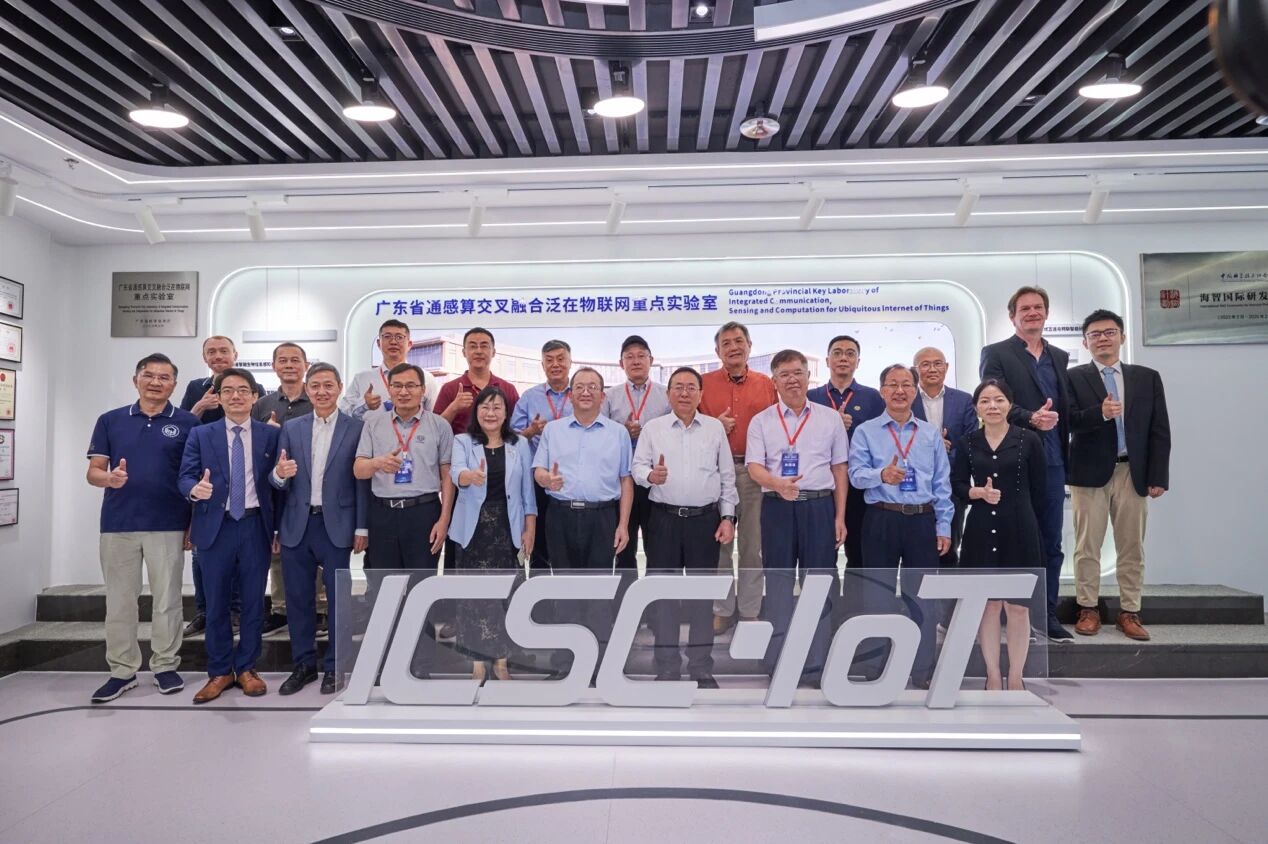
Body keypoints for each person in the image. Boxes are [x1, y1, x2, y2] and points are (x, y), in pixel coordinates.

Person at [85, 353, 200, 703]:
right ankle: (122, 671)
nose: (155, 382)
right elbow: (94, 472)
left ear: (174, 385)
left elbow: (193, 477)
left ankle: (165, 665)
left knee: (167, 600)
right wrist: (109, 479)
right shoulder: (111, 420)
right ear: (135, 379)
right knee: (120, 602)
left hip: (169, 523)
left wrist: (192, 524)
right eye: (149, 375)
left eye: (164, 377)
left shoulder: (188, 423)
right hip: (118, 525)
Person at [746, 350, 849, 687]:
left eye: (797, 373)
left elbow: (839, 469)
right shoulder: (761, 421)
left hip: (818, 508)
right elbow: (754, 467)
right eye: (784, 374)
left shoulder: (829, 418)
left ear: (808, 377)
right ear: (774, 381)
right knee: (777, 583)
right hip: (777, 507)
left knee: (819, 583)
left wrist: (839, 516)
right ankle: (778, 662)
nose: (792, 380)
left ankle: (817, 663)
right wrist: (778, 484)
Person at [1067, 310, 1171, 641]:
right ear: (1085, 342)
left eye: (1109, 332)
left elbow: (1159, 429)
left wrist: (1158, 475)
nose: (1103, 339)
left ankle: (1130, 611)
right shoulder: (1072, 377)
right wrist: (1097, 413)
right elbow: (1067, 421)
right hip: (1088, 473)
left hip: (1132, 471)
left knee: (1132, 546)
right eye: (1095, 334)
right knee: (1087, 546)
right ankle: (1087, 608)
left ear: (1122, 337)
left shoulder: (1146, 377)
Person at [848, 364, 953, 687]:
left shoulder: (929, 433)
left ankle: (921, 669)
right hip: (881, 518)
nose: (899, 391)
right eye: (892, 384)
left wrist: (943, 526)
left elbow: (942, 484)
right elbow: (856, 475)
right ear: (882, 391)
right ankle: (875, 665)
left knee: (922, 598)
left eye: (906, 384)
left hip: (921, 521)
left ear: (914, 391)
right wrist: (881, 474)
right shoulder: (866, 431)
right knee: (877, 596)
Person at [178, 368, 280, 703]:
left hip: (254, 526)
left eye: (243, 390)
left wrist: (277, 527)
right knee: (216, 603)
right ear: (218, 398)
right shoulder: (200, 434)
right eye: (228, 391)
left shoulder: (270, 435)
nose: (236, 396)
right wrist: (195, 489)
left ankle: (247, 668)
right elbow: (184, 476)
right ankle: (220, 671)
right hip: (215, 528)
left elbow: (277, 486)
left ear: (254, 397)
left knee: (253, 602)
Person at [980, 286, 1074, 642]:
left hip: (1053, 461)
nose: (1032, 313)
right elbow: (993, 399)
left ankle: (1046, 614)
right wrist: (1030, 417)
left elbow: (1066, 410)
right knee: (1011, 540)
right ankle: (1009, 614)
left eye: (1038, 307)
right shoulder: (997, 353)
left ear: (1046, 313)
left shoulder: (1059, 356)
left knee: (1051, 541)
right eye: (1025, 308)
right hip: (1013, 459)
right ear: (1012, 316)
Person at [634, 367, 737, 687]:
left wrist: (728, 517)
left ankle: (701, 667)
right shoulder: (653, 428)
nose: (684, 393)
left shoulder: (714, 429)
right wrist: (651, 476)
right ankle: (667, 666)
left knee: (701, 598)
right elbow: (637, 467)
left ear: (700, 394)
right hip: (663, 520)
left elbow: (727, 476)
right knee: (663, 597)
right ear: (668, 394)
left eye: (691, 387)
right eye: (678, 387)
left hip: (705, 522)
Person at [270, 363, 368, 696]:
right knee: (298, 599)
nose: (322, 392)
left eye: (328, 385)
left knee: (339, 600)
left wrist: (362, 526)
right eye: (315, 386)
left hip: (336, 525)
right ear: (306, 389)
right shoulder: (291, 427)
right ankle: (304, 665)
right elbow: (277, 480)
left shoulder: (356, 428)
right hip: (297, 525)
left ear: (339, 387)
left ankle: (335, 666)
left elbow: (361, 483)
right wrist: (279, 475)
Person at [353, 362, 454, 677]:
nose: (404, 391)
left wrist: (444, 519)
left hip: (423, 513)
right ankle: (386, 660)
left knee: (422, 588)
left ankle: (421, 660)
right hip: (383, 514)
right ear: (390, 390)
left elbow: (447, 476)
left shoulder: (439, 425)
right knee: (384, 589)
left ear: (423, 390)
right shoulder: (374, 423)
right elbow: (358, 469)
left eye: (411, 385)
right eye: (397, 385)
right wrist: (377, 463)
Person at [532, 367, 633, 678]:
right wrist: (547, 479)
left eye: (592, 387)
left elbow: (626, 480)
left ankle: (599, 665)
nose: (586, 392)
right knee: (564, 591)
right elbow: (538, 470)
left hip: (602, 517)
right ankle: (565, 663)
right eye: (579, 387)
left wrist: (623, 524)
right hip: (560, 516)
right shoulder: (553, 430)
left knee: (599, 593)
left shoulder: (617, 433)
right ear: (571, 394)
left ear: (602, 396)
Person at [952, 379, 1047, 691]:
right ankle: (993, 674)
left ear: (1010, 404)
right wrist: (977, 492)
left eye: (999, 400)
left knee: (1018, 607)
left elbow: (1041, 491)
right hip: (980, 531)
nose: (992, 406)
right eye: (985, 401)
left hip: (1020, 530)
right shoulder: (968, 442)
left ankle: (1016, 676)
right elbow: (957, 485)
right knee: (988, 605)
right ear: (976, 407)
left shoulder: (1029, 440)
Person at [449, 386, 537, 682]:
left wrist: (530, 529)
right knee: (472, 597)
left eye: (497, 407)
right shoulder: (463, 441)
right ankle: (477, 662)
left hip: (507, 528)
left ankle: (501, 662)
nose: (490, 413)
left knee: (506, 596)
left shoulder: (519, 444)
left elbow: (527, 493)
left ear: (506, 413)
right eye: (485, 407)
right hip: (472, 530)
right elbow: (455, 473)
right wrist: (469, 476)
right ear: (476, 411)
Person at [179, 335, 263, 637]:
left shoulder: (253, 385)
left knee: (241, 556)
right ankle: (204, 611)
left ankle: (236, 611)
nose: (218, 356)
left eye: (223, 351)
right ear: (205, 357)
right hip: (205, 481)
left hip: (243, 480)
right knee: (201, 552)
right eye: (211, 352)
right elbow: (183, 427)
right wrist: (200, 406)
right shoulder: (195, 387)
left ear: (235, 354)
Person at [698, 321, 777, 635]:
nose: (733, 347)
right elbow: (689, 422)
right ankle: (722, 609)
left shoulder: (766, 384)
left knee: (752, 546)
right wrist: (713, 425)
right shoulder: (703, 384)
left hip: (755, 472)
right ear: (717, 351)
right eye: (726, 343)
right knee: (719, 543)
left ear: (749, 346)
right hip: (715, 473)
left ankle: (749, 610)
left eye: (739, 341)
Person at [251, 341, 315, 636]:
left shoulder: (316, 398)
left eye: (295, 360)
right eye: (283, 360)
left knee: (311, 548)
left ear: (306, 365)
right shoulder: (262, 404)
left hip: (308, 485)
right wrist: (269, 435)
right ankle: (279, 609)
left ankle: (320, 607)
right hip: (272, 485)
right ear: (274, 366)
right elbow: (252, 444)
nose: (289, 365)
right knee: (277, 547)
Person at [601, 335, 671, 602]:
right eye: (629, 357)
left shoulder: (666, 394)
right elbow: (601, 433)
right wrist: (622, 430)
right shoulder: (610, 396)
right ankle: (625, 605)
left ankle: (655, 607)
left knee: (657, 548)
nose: (636, 361)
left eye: (641, 355)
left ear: (651, 360)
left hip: (655, 480)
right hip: (622, 481)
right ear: (621, 364)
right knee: (623, 546)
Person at [807, 334, 884, 571]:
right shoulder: (811, 397)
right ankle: (826, 596)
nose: (843, 358)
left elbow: (881, 438)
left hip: (860, 484)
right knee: (821, 555)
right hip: (822, 485)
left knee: (859, 553)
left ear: (857, 362)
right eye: (837, 353)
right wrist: (831, 425)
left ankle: (855, 596)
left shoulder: (873, 397)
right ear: (827, 360)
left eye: (850, 354)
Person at [509, 339, 575, 574]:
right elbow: (511, 439)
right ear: (542, 365)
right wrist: (531, 431)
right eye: (549, 360)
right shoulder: (529, 397)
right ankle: (539, 591)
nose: (555, 364)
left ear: (570, 362)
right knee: (540, 543)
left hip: (574, 477)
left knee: (570, 542)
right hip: (537, 478)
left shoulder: (582, 393)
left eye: (560, 359)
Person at [912, 346, 978, 568]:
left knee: (948, 549)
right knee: (917, 553)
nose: (932, 369)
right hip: (913, 488)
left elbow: (971, 443)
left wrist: (944, 452)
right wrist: (929, 446)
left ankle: (948, 592)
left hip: (951, 487)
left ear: (946, 367)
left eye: (937, 363)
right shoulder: (905, 399)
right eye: (925, 364)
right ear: (915, 369)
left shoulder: (963, 400)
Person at [341, 319, 438, 419]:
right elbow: (343, 415)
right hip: (370, 430)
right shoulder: (361, 379)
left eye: (399, 337)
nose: (393, 342)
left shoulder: (426, 379)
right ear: (379, 343)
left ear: (409, 344)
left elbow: (434, 418)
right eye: (387, 336)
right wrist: (364, 406)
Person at [433, 327, 520, 437]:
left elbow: (517, 429)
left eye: (484, 346)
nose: (478, 351)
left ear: (493, 352)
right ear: (464, 352)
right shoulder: (449, 388)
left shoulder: (508, 389)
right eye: (473, 346)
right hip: (459, 448)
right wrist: (454, 408)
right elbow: (434, 430)